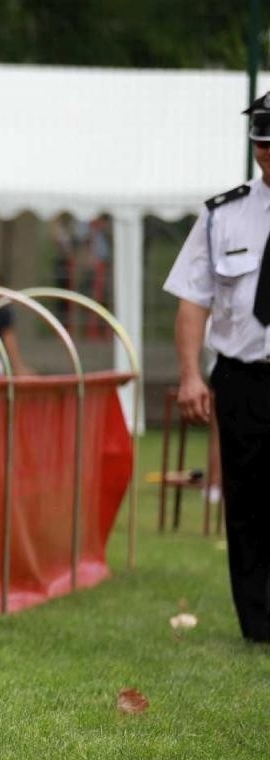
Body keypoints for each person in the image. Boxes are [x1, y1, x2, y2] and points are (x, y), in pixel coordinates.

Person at [163, 90, 270, 645]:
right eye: (262, 142)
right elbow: (192, 299)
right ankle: (259, 623)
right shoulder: (222, 215)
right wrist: (188, 373)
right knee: (248, 500)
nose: (268, 153)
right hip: (244, 375)